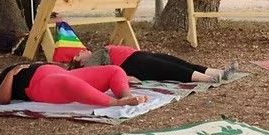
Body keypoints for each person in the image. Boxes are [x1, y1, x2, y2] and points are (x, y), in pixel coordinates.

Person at [0, 62, 149, 107]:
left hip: (58, 72)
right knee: (68, 83)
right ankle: (116, 102)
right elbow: (1, 100)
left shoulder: (4, 74)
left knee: (114, 70)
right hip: (40, 85)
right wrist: (11, 74)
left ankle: (126, 95)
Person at [70, 45, 238, 84]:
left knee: (177, 62)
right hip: (132, 63)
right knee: (171, 69)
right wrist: (126, 78)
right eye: (78, 54)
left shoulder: (95, 54)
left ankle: (220, 72)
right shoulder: (89, 65)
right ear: (80, 61)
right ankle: (209, 78)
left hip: (137, 55)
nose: (82, 50)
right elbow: (104, 72)